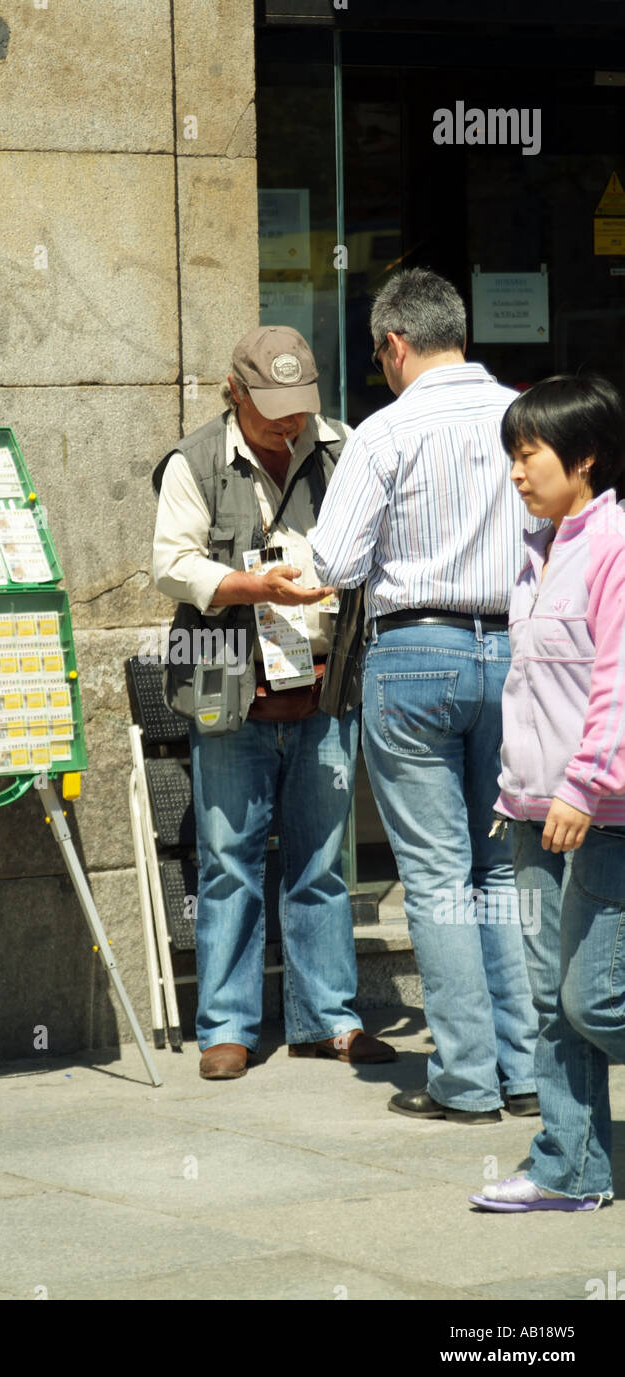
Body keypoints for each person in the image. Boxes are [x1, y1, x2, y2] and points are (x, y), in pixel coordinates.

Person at [310, 268, 538, 1122]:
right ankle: (522, 1075)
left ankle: (466, 1080)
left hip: (416, 656)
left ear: (395, 346)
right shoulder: (525, 415)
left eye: (380, 355)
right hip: (515, 651)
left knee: (439, 877)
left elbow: (333, 563)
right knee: (499, 869)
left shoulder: (384, 432)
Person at [152, 325, 396, 1079]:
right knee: (229, 861)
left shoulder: (343, 447)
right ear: (234, 392)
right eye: (270, 410)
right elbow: (172, 564)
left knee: (322, 862)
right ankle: (227, 1024)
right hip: (230, 683)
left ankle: (330, 1018)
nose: (288, 424)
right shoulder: (194, 461)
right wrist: (253, 586)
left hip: (323, 683)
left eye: (298, 407)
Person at [469, 374, 625, 1212]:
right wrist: (515, 793)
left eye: (529, 456)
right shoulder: (536, 555)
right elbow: (531, 694)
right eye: (513, 458)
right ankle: (571, 1170)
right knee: (546, 1002)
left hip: (600, 816)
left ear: (585, 456)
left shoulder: (615, 548)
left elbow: (617, 685)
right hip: (531, 814)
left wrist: (583, 785)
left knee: (593, 996)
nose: (518, 474)